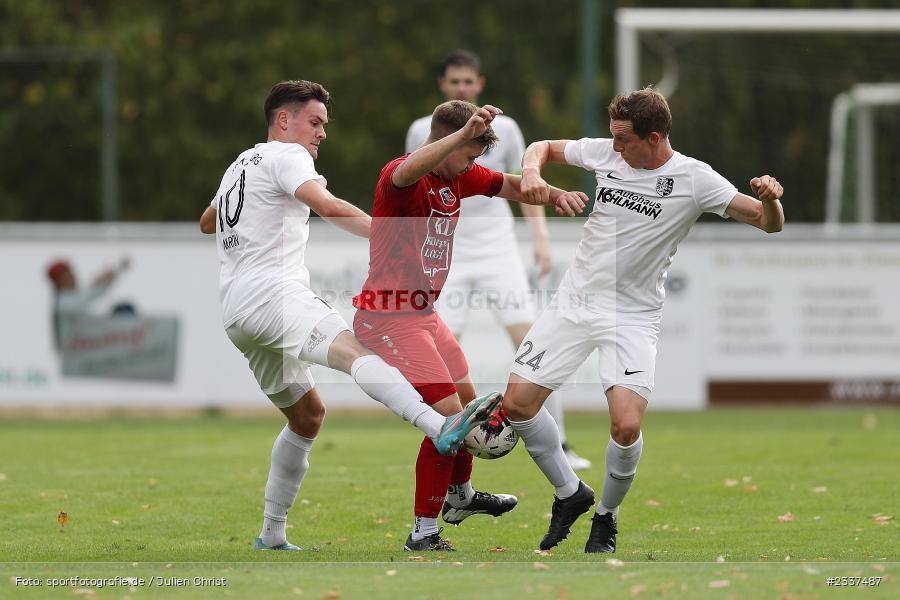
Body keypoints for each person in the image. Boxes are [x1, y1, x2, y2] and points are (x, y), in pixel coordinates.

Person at [199, 80, 504, 552]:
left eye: (324, 125)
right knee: (353, 352)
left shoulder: (241, 163)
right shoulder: (288, 155)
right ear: (284, 120)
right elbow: (326, 205)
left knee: (307, 416)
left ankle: (272, 535)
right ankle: (437, 426)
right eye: (314, 122)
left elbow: (208, 220)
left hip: (236, 310)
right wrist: (386, 234)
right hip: (274, 295)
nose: (321, 133)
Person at [502, 87, 785, 553]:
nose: (613, 147)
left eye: (623, 139)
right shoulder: (606, 152)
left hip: (632, 316)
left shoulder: (695, 178)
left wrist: (771, 199)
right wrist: (531, 172)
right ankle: (570, 493)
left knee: (626, 426)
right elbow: (544, 148)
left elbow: (766, 222)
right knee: (517, 406)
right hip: (573, 303)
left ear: (654, 138)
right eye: (612, 136)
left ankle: (606, 519)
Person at [353, 99, 587, 551]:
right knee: (448, 423)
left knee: (467, 405)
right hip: (388, 318)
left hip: (423, 314)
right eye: (468, 151)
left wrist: (554, 193)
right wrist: (459, 138)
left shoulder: (457, 175)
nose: (473, 162)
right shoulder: (402, 175)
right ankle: (423, 532)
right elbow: (405, 173)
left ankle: (459, 497)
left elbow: (509, 186)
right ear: (448, 142)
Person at [405, 50, 592, 471]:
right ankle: (446, 439)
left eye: (468, 82)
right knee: (439, 351)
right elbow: (412, 184)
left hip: (498, 247)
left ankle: (558, 441)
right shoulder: (422, 129)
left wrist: (540, 238)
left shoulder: (504, 128)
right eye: (454, 82)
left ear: (480, 85)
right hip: (447, 250)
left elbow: (526, 185)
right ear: (442, 85)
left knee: (532, 344)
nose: (461, 88)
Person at [46, 258, 132, 350]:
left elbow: (95, 293)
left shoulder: (70, 299)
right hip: (78, 354)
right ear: (59, 282)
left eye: (72, 273)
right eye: (67, 275)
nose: (73, 277)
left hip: (89, 346)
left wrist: (115, 272)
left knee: (123, 313)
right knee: (123, 314)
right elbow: (87, 297)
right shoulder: (61, 303)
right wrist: (99, 282)